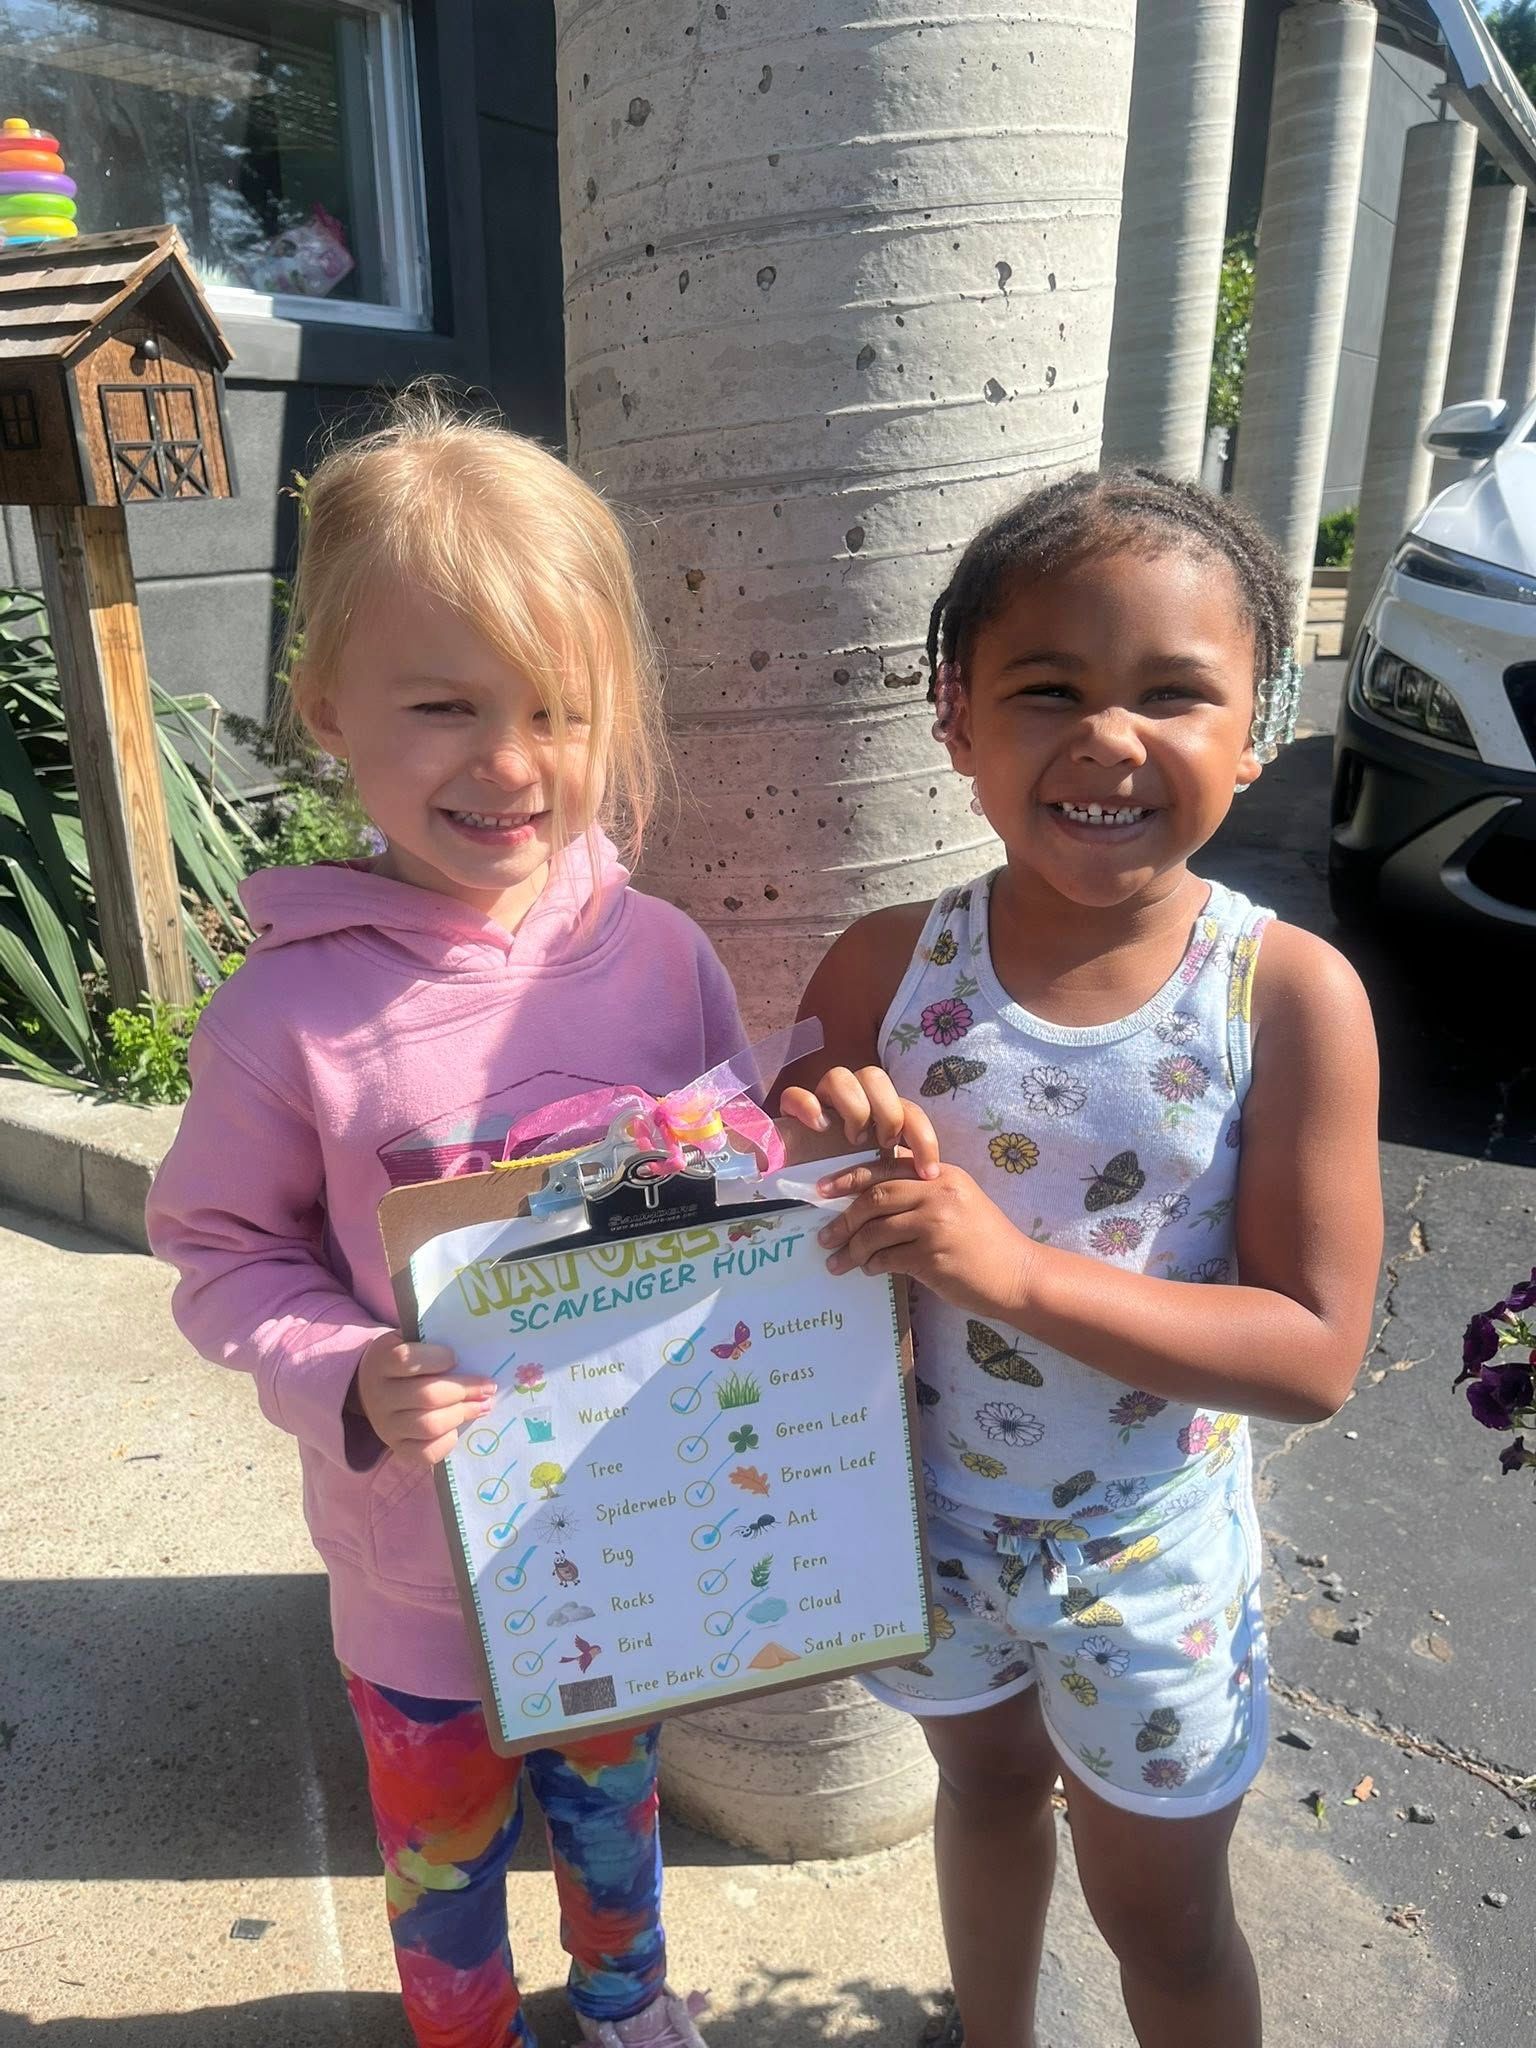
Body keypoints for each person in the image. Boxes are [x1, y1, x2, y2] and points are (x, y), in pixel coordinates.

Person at [147, 390, 731, 2048]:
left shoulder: (664, 954)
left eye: (559, 708)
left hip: (628, 1535)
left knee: (619, 1822)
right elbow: (219, 1249)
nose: (512, 763)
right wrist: (344, 1370)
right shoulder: (289, 1021)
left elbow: (728, 1159)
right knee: (447, 1860)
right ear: (326, 706)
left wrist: (792, 1150)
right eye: (444, 706)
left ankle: (626, 2005)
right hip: (419, 1576)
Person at [778, 470, 1382, 2048]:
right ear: (955, 717)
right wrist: (815, 1142)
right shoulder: (881, 966)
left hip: (1149, 1558)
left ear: (1257, 728)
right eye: (1047, 688)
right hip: (930, 1519)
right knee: (979, 1793)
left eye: (1175, 694)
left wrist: (1014, 1274)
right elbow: (778, 1223)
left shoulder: (1285, 996)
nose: (1109, 737)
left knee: (1166, 1926)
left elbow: (1315, 1352)